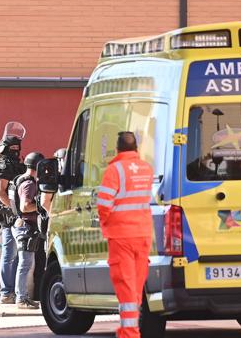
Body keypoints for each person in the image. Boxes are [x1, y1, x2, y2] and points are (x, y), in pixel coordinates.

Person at [97, 131, 154, 338]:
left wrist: (105, 222)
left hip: (122, 236)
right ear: (136, 148)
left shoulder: (115, 170)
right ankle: (132, 329)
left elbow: (104, 203)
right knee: (136, 286)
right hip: (143, 234)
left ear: (118, 148)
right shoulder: (146, 169)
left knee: (126, 285)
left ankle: (129, 332)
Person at [0, 121, 27, 304]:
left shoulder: (13, 162)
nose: (16, 149)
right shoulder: (3, 164)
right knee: (10, 254)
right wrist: (16, 212)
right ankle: (6, 292)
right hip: (9, 214)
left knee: (16, 254)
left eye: (17, 146)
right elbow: (0, 192)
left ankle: (11, 292)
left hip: (16, 213)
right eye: (12, 146)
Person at [8, 152, 45, 309]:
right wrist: (41, 207)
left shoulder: (22, 180)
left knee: (25, 263)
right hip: (25, 227)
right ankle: (21, 299)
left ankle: (22, 297)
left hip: (23, 226)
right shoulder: (29, 184)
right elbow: (24, 206)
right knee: (25, 263)